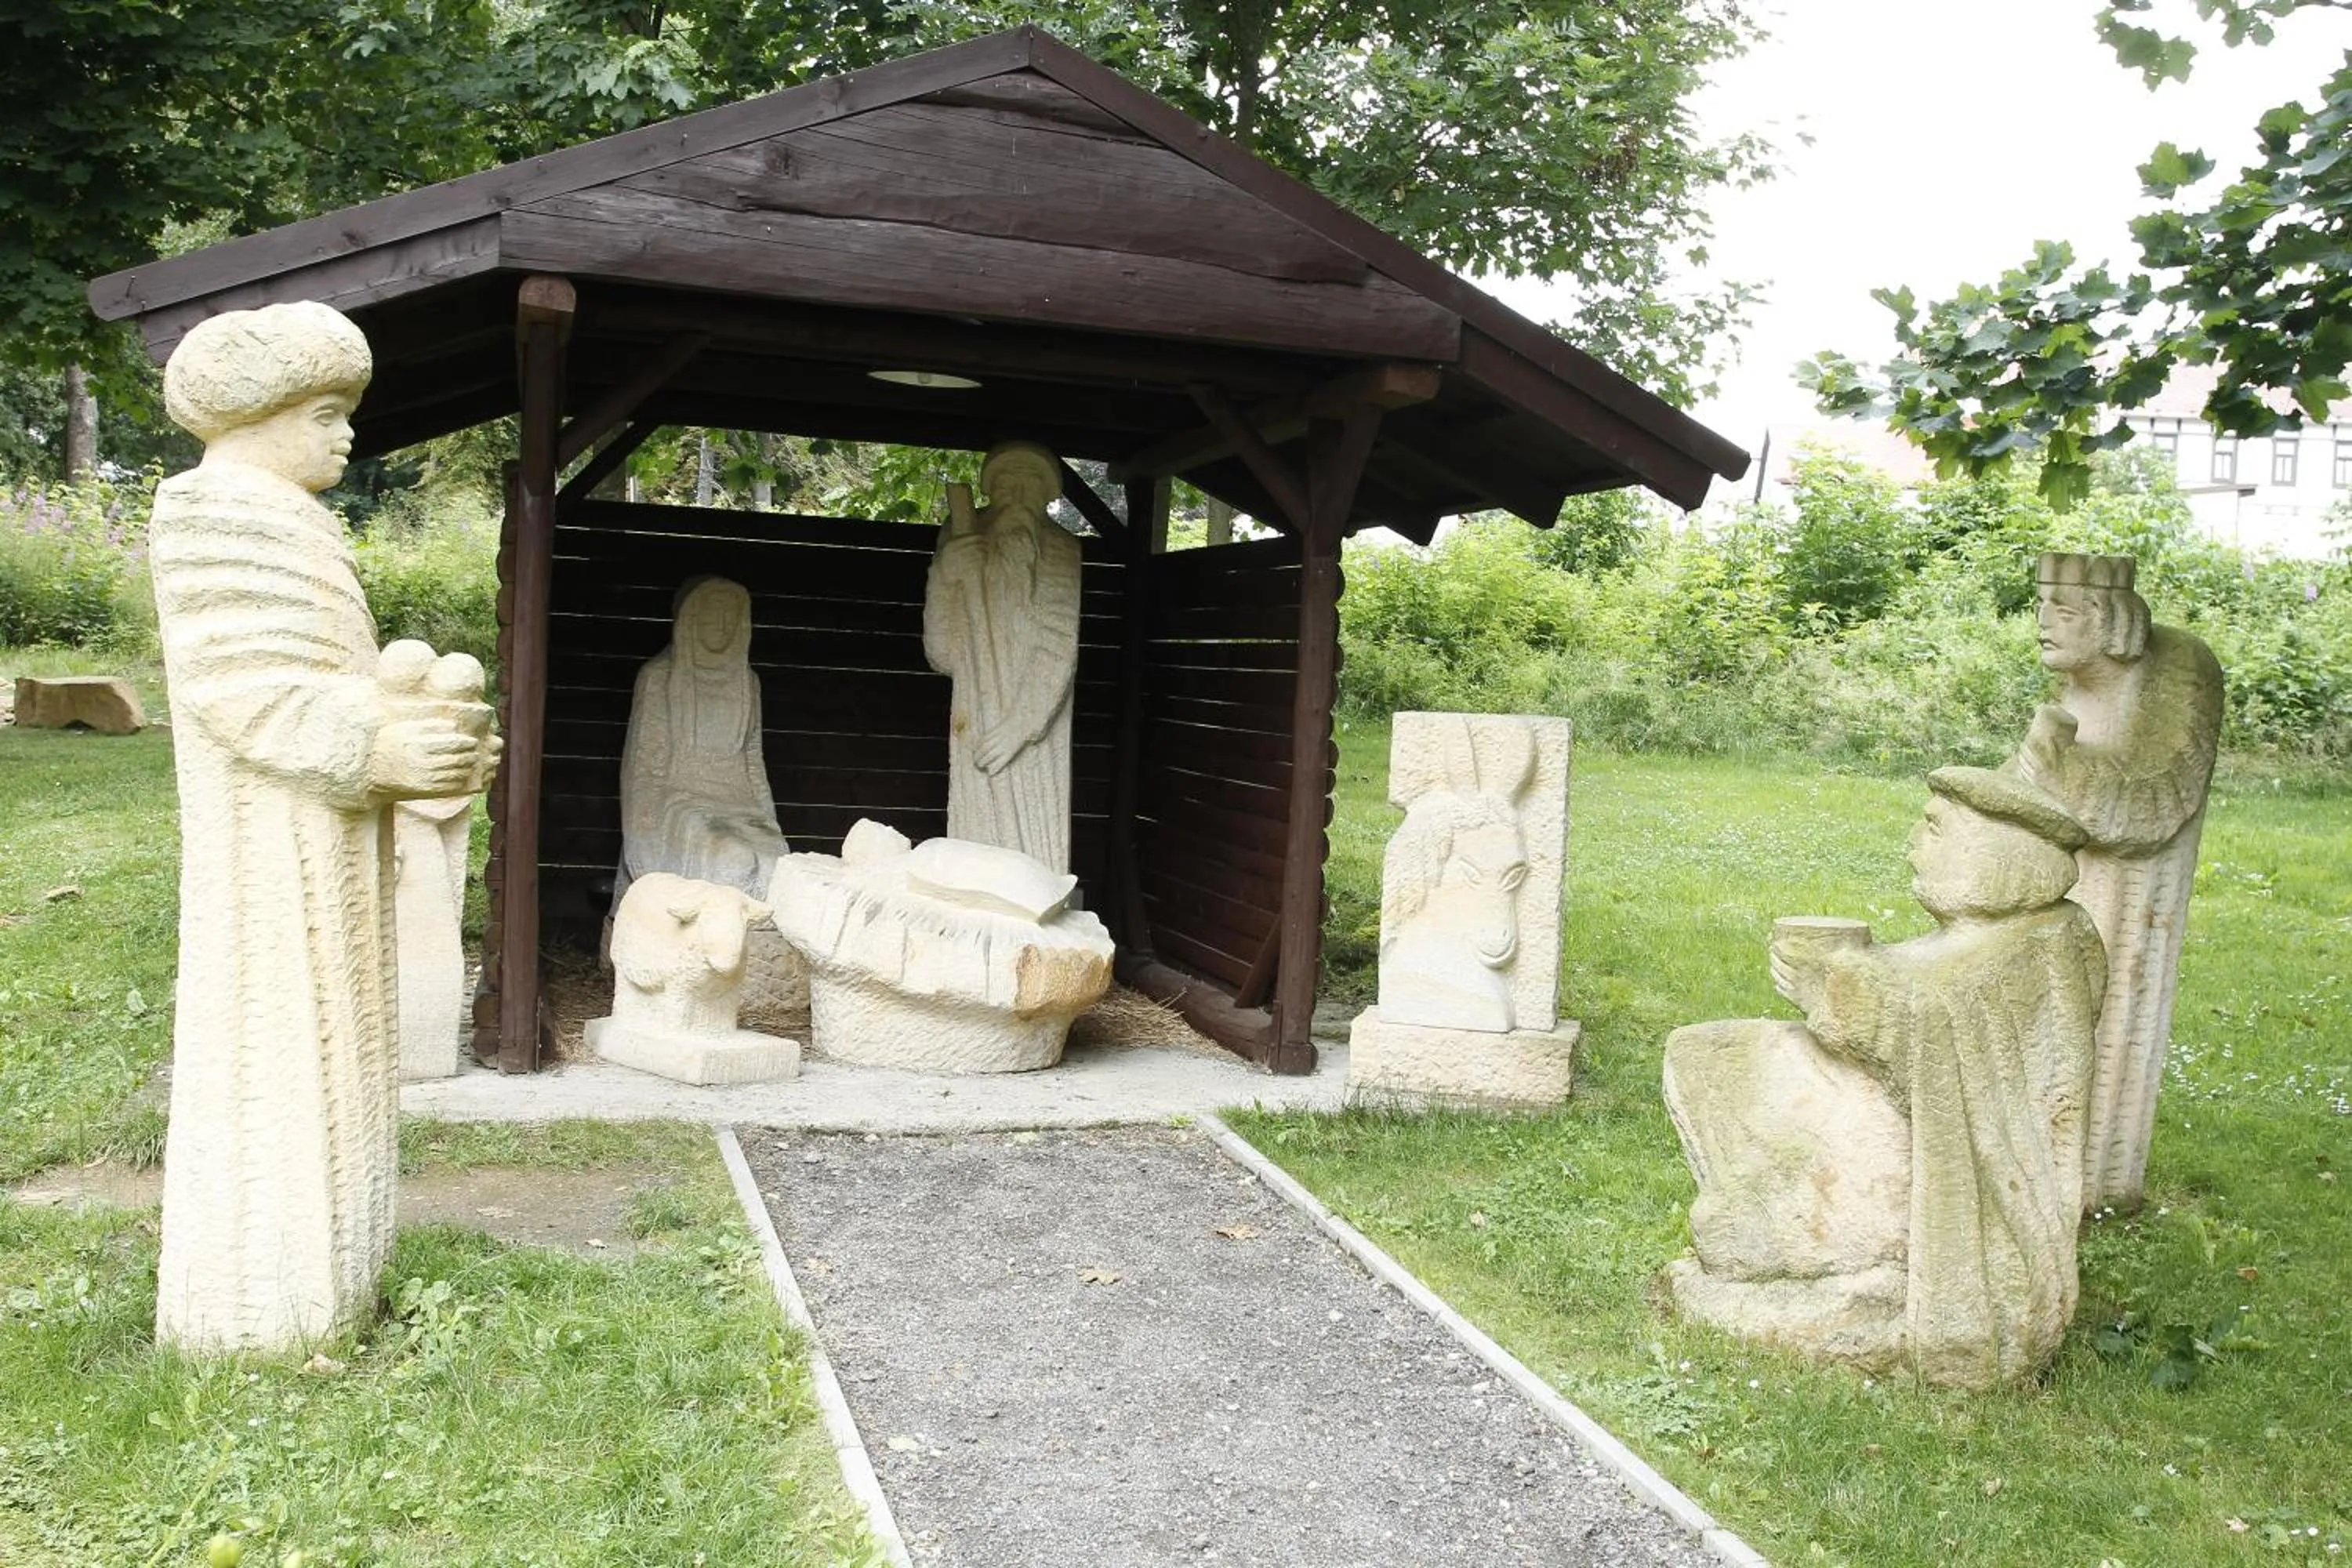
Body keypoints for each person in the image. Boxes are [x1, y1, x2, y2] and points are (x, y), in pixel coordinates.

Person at [148, 300, 498, 1350]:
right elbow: (246, 687)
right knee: (278, 1037)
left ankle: (334, 1286)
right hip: (271, 844)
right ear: (256, 411)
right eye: (326, 410)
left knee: (331, 1034)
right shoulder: (216, 511)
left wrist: (427, 746)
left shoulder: (288, 514)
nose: (346, 434)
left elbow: (328, 680)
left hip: (326, 834)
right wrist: (373, 747)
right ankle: (263, 1311)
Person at [1664, 766, 2103, 1388]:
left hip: (1948, 1164)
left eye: (1934, 831)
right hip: (1909, 1113)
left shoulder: (2045, 943)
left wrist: (1833, 987)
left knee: (1744, 1080)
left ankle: (1785, 1237)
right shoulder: (1997, 934)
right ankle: (1757, 1223)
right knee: (1708, 1053)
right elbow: (1925, 986)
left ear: (1992, 855)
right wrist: (1836, 978)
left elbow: (1937, 1020)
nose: (1914, 845)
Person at [2009, 551, 2223, 1210]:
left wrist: (2059, 778)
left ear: (2114, 622)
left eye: (2064, 609)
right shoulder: (2076, 693)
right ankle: (2029, 1168)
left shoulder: (2181, 669)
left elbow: (2156, 799)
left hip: (2127, 900)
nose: (2045, 622)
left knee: (2103, 1012)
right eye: (2042, 605)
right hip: (2057, 894)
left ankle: (2095, 1186)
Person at [921, 441, 1083, 870]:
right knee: (977, 848)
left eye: (1027, 485)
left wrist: (1021, 726)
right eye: (1005, 484)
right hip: (976, 712)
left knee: (1033, 854)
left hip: (1033, 730)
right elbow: (942, 654)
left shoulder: (1062, 550)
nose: (1014, 495)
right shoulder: (960, 538)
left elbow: (1058, 643)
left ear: (1048, 494)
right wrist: (945, 577)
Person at [618, 576, 789, 901]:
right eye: (712, 615)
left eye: (731, 617)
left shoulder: (748, 683)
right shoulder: (660, 678)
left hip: (741, 805)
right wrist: (642, 838)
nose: (721, 626)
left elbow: (753, 764)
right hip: (681, 800)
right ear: (691, 618)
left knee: (777, 864)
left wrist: (767, 817)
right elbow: (645, 768)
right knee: (733, 860)